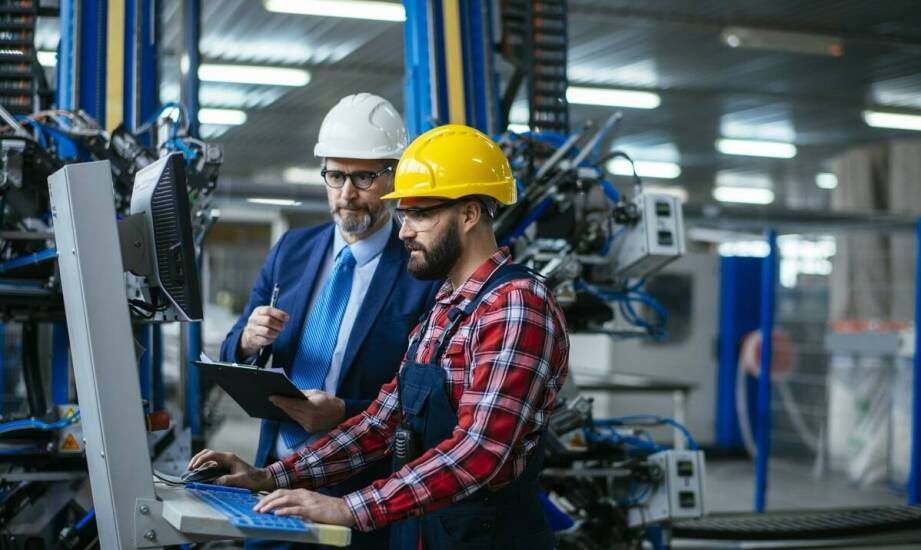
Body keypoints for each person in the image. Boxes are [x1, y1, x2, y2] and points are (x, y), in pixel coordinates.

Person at [198, 124, 570, 549]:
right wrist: (270, 475)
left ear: (469, 214)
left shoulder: (516, 305)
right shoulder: (446, 304)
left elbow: (479, 451)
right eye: (403, 214)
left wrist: (350, 508)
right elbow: (383, 422)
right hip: (422, 535)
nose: (404, 231)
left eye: (421, 213)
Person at [218, 93, 439, 549]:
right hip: (273, 485)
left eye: (364, 177)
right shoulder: (292, 251)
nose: (347, 194)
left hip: (361, 498)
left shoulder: (422, 271)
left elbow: (430, 407)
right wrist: (246, 340)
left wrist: (343, 413)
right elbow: (230, 352)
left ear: (394, 176)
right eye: (335, 176)